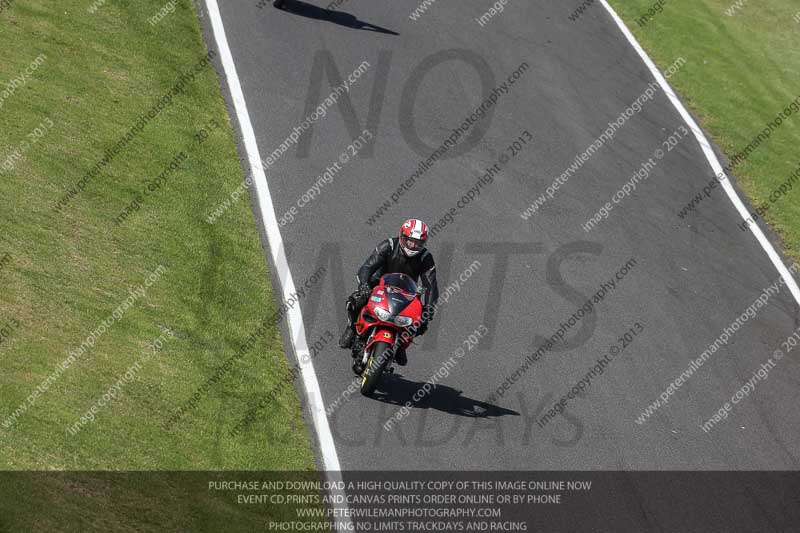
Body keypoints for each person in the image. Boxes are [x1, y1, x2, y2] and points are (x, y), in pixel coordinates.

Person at [339, 219, 439, 365]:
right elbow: (367, 267)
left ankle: (400, 345)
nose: (413, 245)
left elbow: (431, 285)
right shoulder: (389, 245)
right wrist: (364, 285)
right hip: (378, 285)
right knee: (357, 299)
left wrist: (429, 307)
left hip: (406, 293)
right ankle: (352, 328)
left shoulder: (425, 258)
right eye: (410, 240)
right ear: (402, 237)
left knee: (422, 321)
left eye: (418, 243)